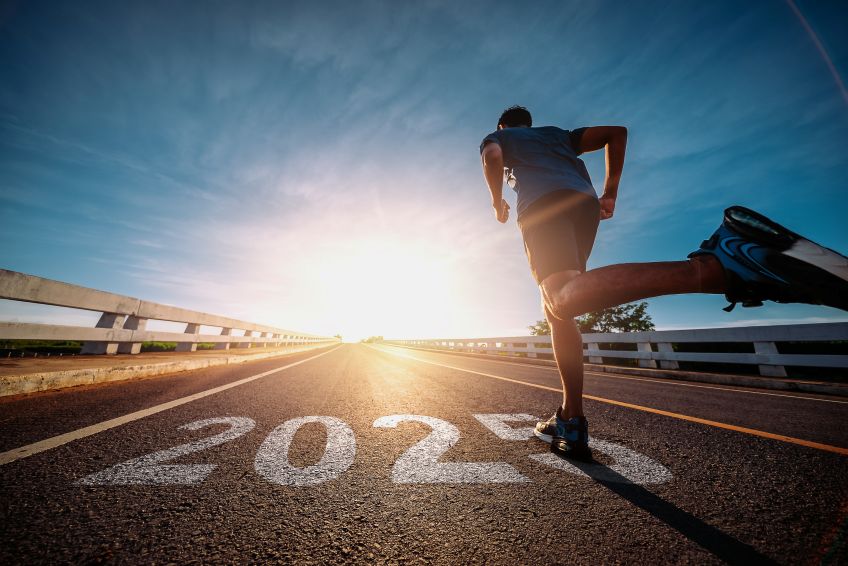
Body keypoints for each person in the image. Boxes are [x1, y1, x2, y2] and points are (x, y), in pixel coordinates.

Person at [479, 105, 848, 460]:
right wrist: (610, 193)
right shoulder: (556, 136)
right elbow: (615, 133)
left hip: (543, 207)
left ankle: (723, 264)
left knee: (560, 299)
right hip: (583, 205)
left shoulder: (501, 138)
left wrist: (497, 203)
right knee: (560, 308)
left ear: (502, 126)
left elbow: (493, 158)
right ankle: (569, 420)